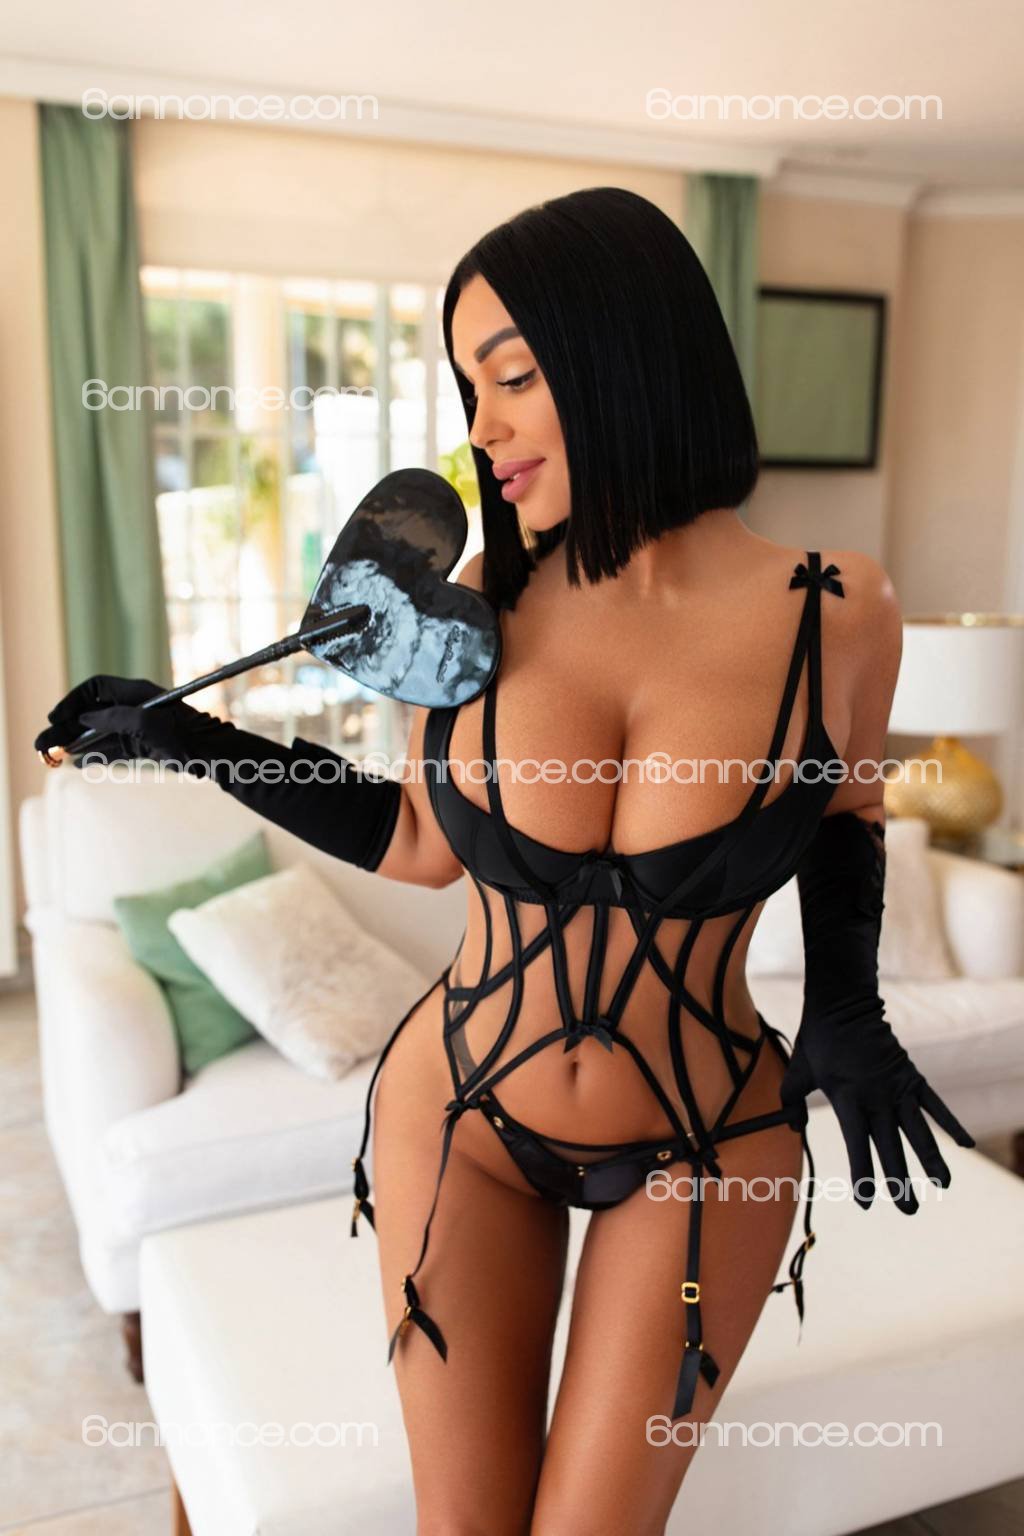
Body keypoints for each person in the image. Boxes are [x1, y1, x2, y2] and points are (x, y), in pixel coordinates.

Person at [36, 186, 974, 1536]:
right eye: (468, 387)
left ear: (625, 354)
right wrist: (191, 738)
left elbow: (846, 812)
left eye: (515, 377)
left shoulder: (839, 604)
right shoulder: (476, 608)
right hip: (460, 1114)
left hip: (712, 1138)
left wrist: (847, 1008)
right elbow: (422, 844)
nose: (482, 427)